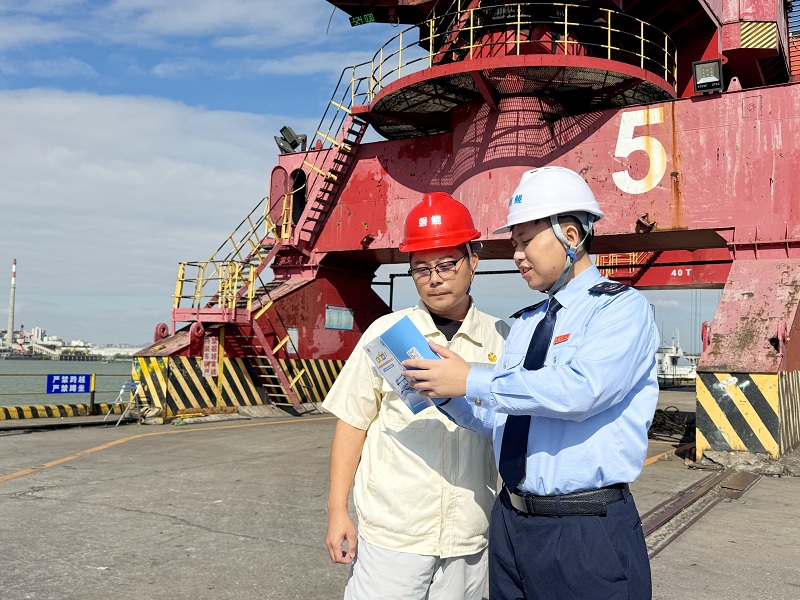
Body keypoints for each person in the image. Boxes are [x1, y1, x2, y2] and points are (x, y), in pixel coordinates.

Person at [403, 166, 660, 599]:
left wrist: (470, 379)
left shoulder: (620, 310)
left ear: (571, 236)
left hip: (584, 529)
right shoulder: (526, 324)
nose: (518, 255)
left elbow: (582, 391)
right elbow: (505, 418)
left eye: (525, 241)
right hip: (511, 523)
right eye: (514, 244)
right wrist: (443, 391)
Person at [323, 192, 510, 600]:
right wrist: (338, 510)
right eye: (421, 268)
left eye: (446, 264)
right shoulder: (387, 335)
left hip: (468, 538)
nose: (434, 278)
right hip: (393, 537)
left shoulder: (503, 339)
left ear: (473, 260)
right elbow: (352, 422)